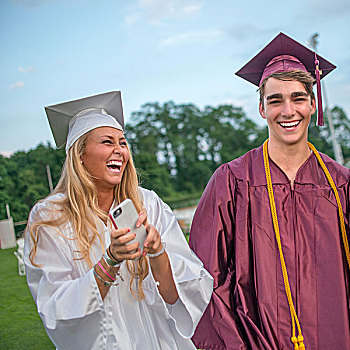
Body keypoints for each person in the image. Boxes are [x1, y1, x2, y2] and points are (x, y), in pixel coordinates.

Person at [189, 33, 350, 350]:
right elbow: (206, 279)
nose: (288, 110)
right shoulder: (232, 181)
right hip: (256, 342)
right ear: (262, 108)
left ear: (313, 104)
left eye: (298, 98)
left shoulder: (341, 183)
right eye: (275, 100)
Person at [24, 91, 213, 350]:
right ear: (79, 154)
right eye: (107, 142)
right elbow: (56, 309)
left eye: (122, 142)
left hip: (160, 341)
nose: (119, 150)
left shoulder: (148, 203)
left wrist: (157, 252)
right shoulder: (50, 218)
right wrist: (110, 261)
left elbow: (180, 296)